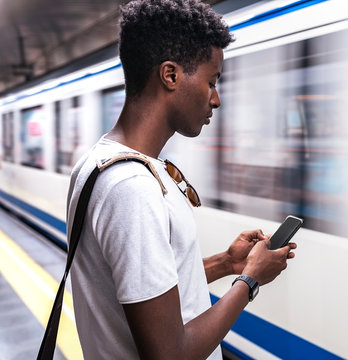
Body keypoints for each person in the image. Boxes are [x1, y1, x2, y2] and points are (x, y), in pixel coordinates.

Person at [66, 0, 296, 358]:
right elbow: (170, 353)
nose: (216, 100)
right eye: (211, 81)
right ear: (170, 75)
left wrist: (227, 263)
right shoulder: (131, 188)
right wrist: (249, 280)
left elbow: (145, 292)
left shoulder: (101, 163)